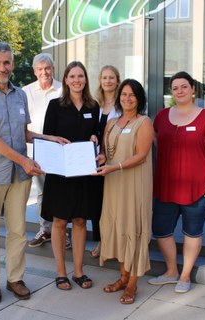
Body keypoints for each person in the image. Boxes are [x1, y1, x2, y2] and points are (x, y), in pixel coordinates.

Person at [0, 41, 69, 303]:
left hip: (19, 177)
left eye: (6, 62)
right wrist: (24, 161)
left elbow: (23, 133)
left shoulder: (20, 95)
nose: (2, 68)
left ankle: (15, 278)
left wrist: (48, 138)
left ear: (12, 64)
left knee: (17, 231)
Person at [148, 71, 205, 293]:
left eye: (183, 87)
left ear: (192, 90)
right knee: (161, 230)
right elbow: (156, 142)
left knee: (192, 231)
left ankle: (185, 275)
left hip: (198, 187)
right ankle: (171, 271)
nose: (179, 91)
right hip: (166, 185)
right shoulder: (161, 117)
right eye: (175, 87)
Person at [41, 61, 101, 290]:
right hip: (61, 173)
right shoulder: (55, 105)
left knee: (79, 221)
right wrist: (54, 140)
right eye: (72, 76)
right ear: (65, 80)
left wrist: (96, 137)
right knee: (59, 221)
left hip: (83, 172)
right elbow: (47, 137)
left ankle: (78, 271)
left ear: (85, 79)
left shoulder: (92, 106)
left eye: (81, 76)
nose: (77, 80)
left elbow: (96, 133)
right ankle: (60, 272)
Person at [94, 79, 154, 304]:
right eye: (123, 94)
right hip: (113, 182)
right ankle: (122, 276)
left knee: (133, 227)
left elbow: (142, 155)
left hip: (133, 183)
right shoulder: (111, 123)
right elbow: (107, 152)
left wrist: (115, 166)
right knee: (118, 226)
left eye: (132, 95)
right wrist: (101, 158)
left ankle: (132, 284)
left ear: (139, 99)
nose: (127, 98)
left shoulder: (144, 122)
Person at [22, 53, 71, 250]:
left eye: (47, 68)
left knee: (62, 191)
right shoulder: (25, 92)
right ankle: (46, 229)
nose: (44, 72)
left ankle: (63, 232)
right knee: (42, 192)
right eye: (40, 69)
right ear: (34, 71)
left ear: (53, 69)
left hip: (59, 149)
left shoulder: (63, 89)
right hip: (36, 150)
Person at [89, 65, 121, 258]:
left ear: (117, 80)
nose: (108, 81)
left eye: (111, 78)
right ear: (100, 81)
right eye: (104, 78)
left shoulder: (124, 104)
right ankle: (101, 241)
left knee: (115, 202)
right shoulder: (94, 105)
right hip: (97, 160)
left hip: (117, 159)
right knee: (98, 203)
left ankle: (115, 241)